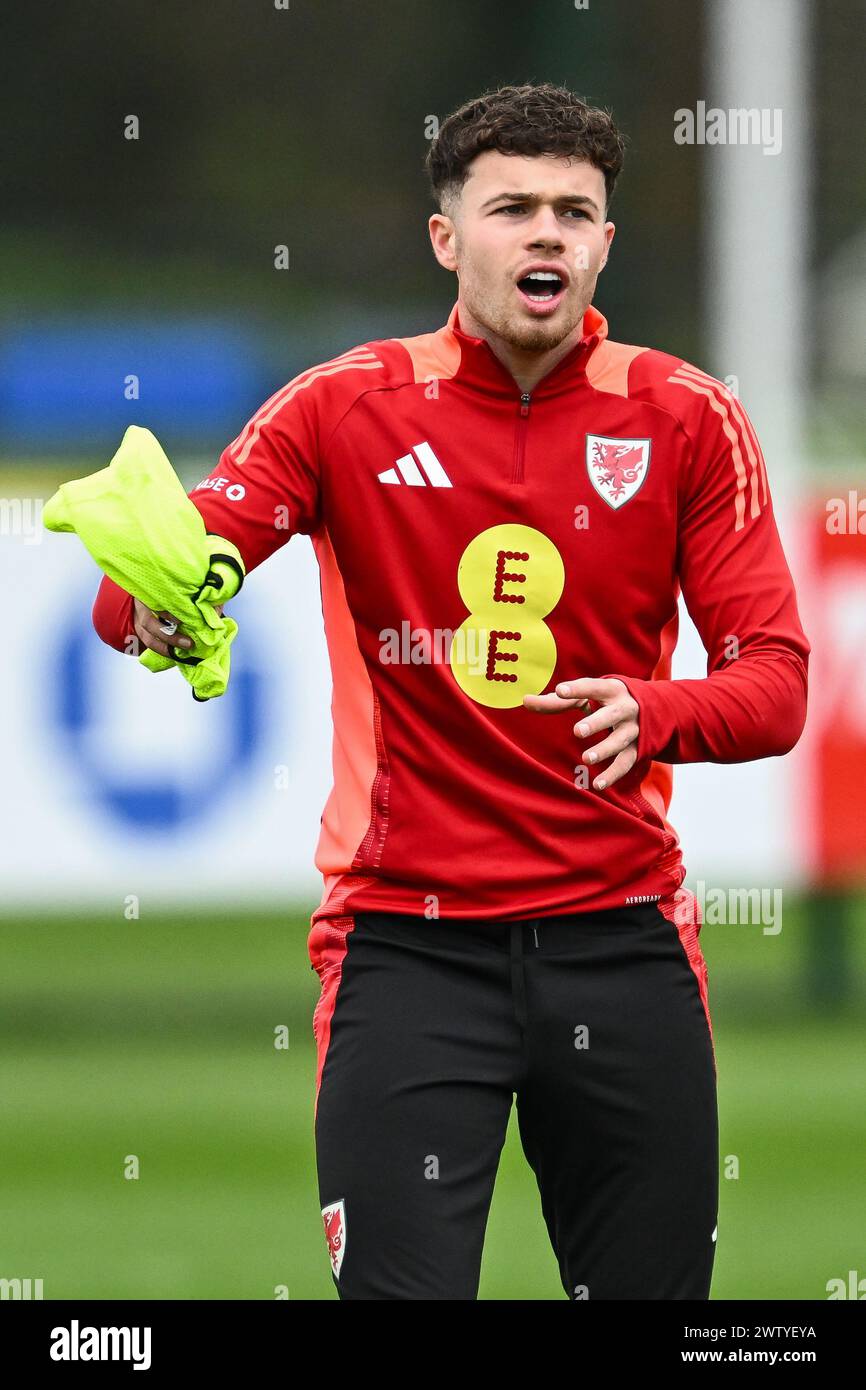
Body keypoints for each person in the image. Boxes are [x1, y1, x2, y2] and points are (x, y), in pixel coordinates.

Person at [92, 82, 810, 1300]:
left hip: (622, 939)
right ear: (445, 238)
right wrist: (160, 604)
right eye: (512, 207)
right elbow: (144, 590)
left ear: (602, 245)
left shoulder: (687, 416)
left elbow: (776, 682)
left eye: (572, 213)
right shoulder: (340, 408)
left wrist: (657, 708)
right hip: (406, 953)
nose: (544, 234)